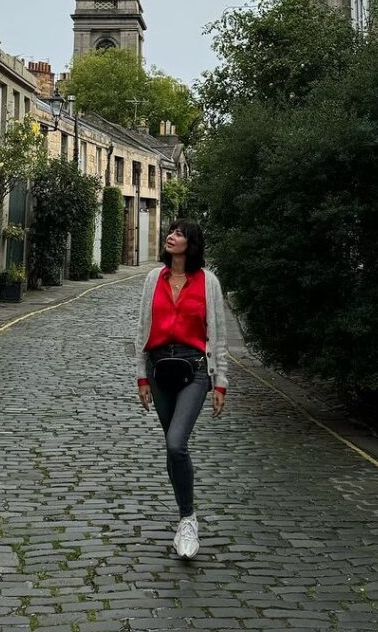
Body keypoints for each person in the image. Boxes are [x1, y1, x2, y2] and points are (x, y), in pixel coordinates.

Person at [135, 218, 228, 559]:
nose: (170, 237)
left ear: (192, 244)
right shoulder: (152, 279)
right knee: (173, 450)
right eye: (170, 232)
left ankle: (188, 520)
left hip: (195, 371)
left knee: (176, 443)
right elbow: (143, 330)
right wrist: (141, 377)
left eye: (179, 234)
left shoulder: (208, 283)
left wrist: (221, 382)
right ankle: (184, 517)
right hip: (159, 370)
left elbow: (218, 337)